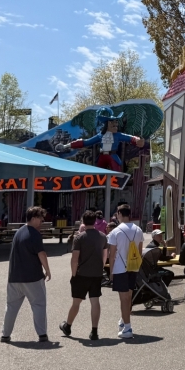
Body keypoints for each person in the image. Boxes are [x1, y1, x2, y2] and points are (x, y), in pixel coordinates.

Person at [2, 206, 52, 343]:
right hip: (32, 277)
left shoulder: (18, 232)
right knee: (39, 304)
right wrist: (47, 270)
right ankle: (42, 334)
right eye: (41, 220)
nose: (42, 223)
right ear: (34, 218)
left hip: (14, 277)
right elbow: (41, 253)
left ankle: (5, 334)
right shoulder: (34, 234)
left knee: (11, 307)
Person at [60, 210, 107, 342]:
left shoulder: (79, 237)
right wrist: (101, 268)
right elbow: (105, 256)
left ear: (83, 222)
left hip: (82, 273)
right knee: (95, 301)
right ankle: (94, 331)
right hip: (96, 273)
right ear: (95, 221)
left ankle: (68, 326)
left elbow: (74, 259)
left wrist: (74, 274)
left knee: (76, 302)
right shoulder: (103, 236)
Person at [64, 109, 145, 172]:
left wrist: (137, 140)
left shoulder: (118, 135)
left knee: (116, 173)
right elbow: (86, 142)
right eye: (113, 122)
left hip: (112, 156)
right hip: (102, 157)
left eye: (116, 122)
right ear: (107, 124)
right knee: (98, 173)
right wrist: (67, 146)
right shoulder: (100, 136)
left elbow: (129, 138)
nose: (116, 124)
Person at [106, 204, 143, 339]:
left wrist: (111, 271)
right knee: (129, 296)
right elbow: (139, 252)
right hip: (133, 267)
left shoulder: (116, 232)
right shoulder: (138, 230)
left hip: (120, 268)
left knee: (123, 299)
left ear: (120, 214)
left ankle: (127, 327)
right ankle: (123, 321)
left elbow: (112, 254)